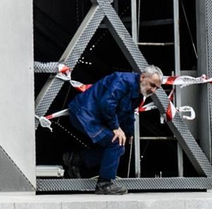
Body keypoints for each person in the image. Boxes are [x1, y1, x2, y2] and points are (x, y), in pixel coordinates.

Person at [63, 67, 164, 195]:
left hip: (91, 116)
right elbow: (108, 103)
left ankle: (76, 158)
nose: (153, 90)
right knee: (115, 143)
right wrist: (115, 127)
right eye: (152, 85)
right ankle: (104, 184)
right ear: (143, 77)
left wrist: (128, 134)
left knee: (119, 147)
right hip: (84, 114)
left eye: (157, 88)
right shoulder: (123, 81)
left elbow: (128, 114)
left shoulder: (137, 91)